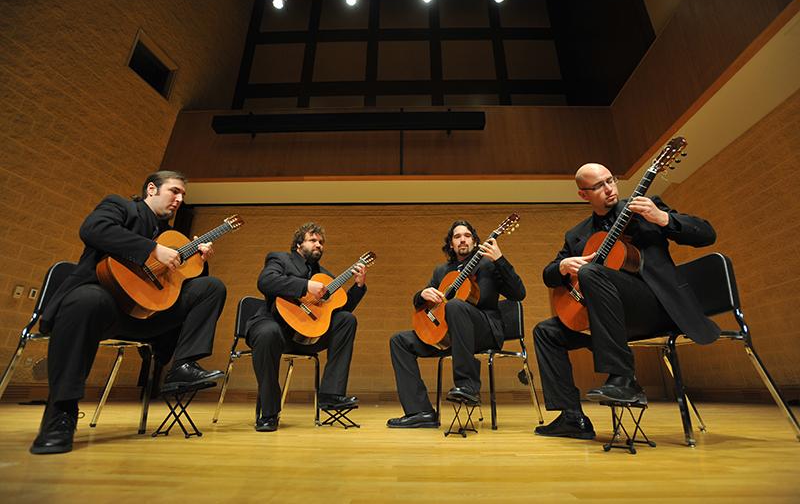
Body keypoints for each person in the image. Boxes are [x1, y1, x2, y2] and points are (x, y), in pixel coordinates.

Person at [30, 170, 226, 454]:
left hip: (148, 316)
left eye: (183, 195)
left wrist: (198, 261)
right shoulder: (120, 206)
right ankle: (60, 415)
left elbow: (178, 282)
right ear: (151, 189)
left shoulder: (173, 237)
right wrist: (152, 249)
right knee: (85, 301)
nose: (180, 199)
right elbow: (93, 229)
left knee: (211, 287)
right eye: (175, 191)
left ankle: (182, 366)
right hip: (105, 305)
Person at [533, 163, 719, 439]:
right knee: (546, 332)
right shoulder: (577, 235)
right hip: (609, 318)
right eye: (598, 186)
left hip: (655, 308)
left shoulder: (645, 208)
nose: (609, 189)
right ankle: (571, 417)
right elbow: (548, 275)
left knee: (591, 271)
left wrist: (663, 219)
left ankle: (623, 379)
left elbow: (706, 234)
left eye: (611, 180)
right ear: (583, 195)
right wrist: (561, 267)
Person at [387, 220, 526, 428]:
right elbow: (424, 305)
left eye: (468, 235)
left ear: (476, 241)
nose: (463, 239)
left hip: (484, 331)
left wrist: (500, 260)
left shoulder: (489, 265)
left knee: (455, 306)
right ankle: (420, 412)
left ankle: (467, 386)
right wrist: (421, 294)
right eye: (457, 236)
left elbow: (519, 293)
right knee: (399, 341)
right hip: (449, 335)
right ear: (451, 244)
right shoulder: (442, 271)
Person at [246, 222, 365, 432]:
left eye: (321, 242)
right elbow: (266, 281)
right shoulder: (280, 259)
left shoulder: (325, 276)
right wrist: (306, 286)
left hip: (306, 336)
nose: (318, 244)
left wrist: (358, 286)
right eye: (313, 240)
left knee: (346, 319)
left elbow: (339, 308)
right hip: (275, 326)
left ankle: (331, 394)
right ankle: (269, 411)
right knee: (267, 333)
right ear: (299, 244)